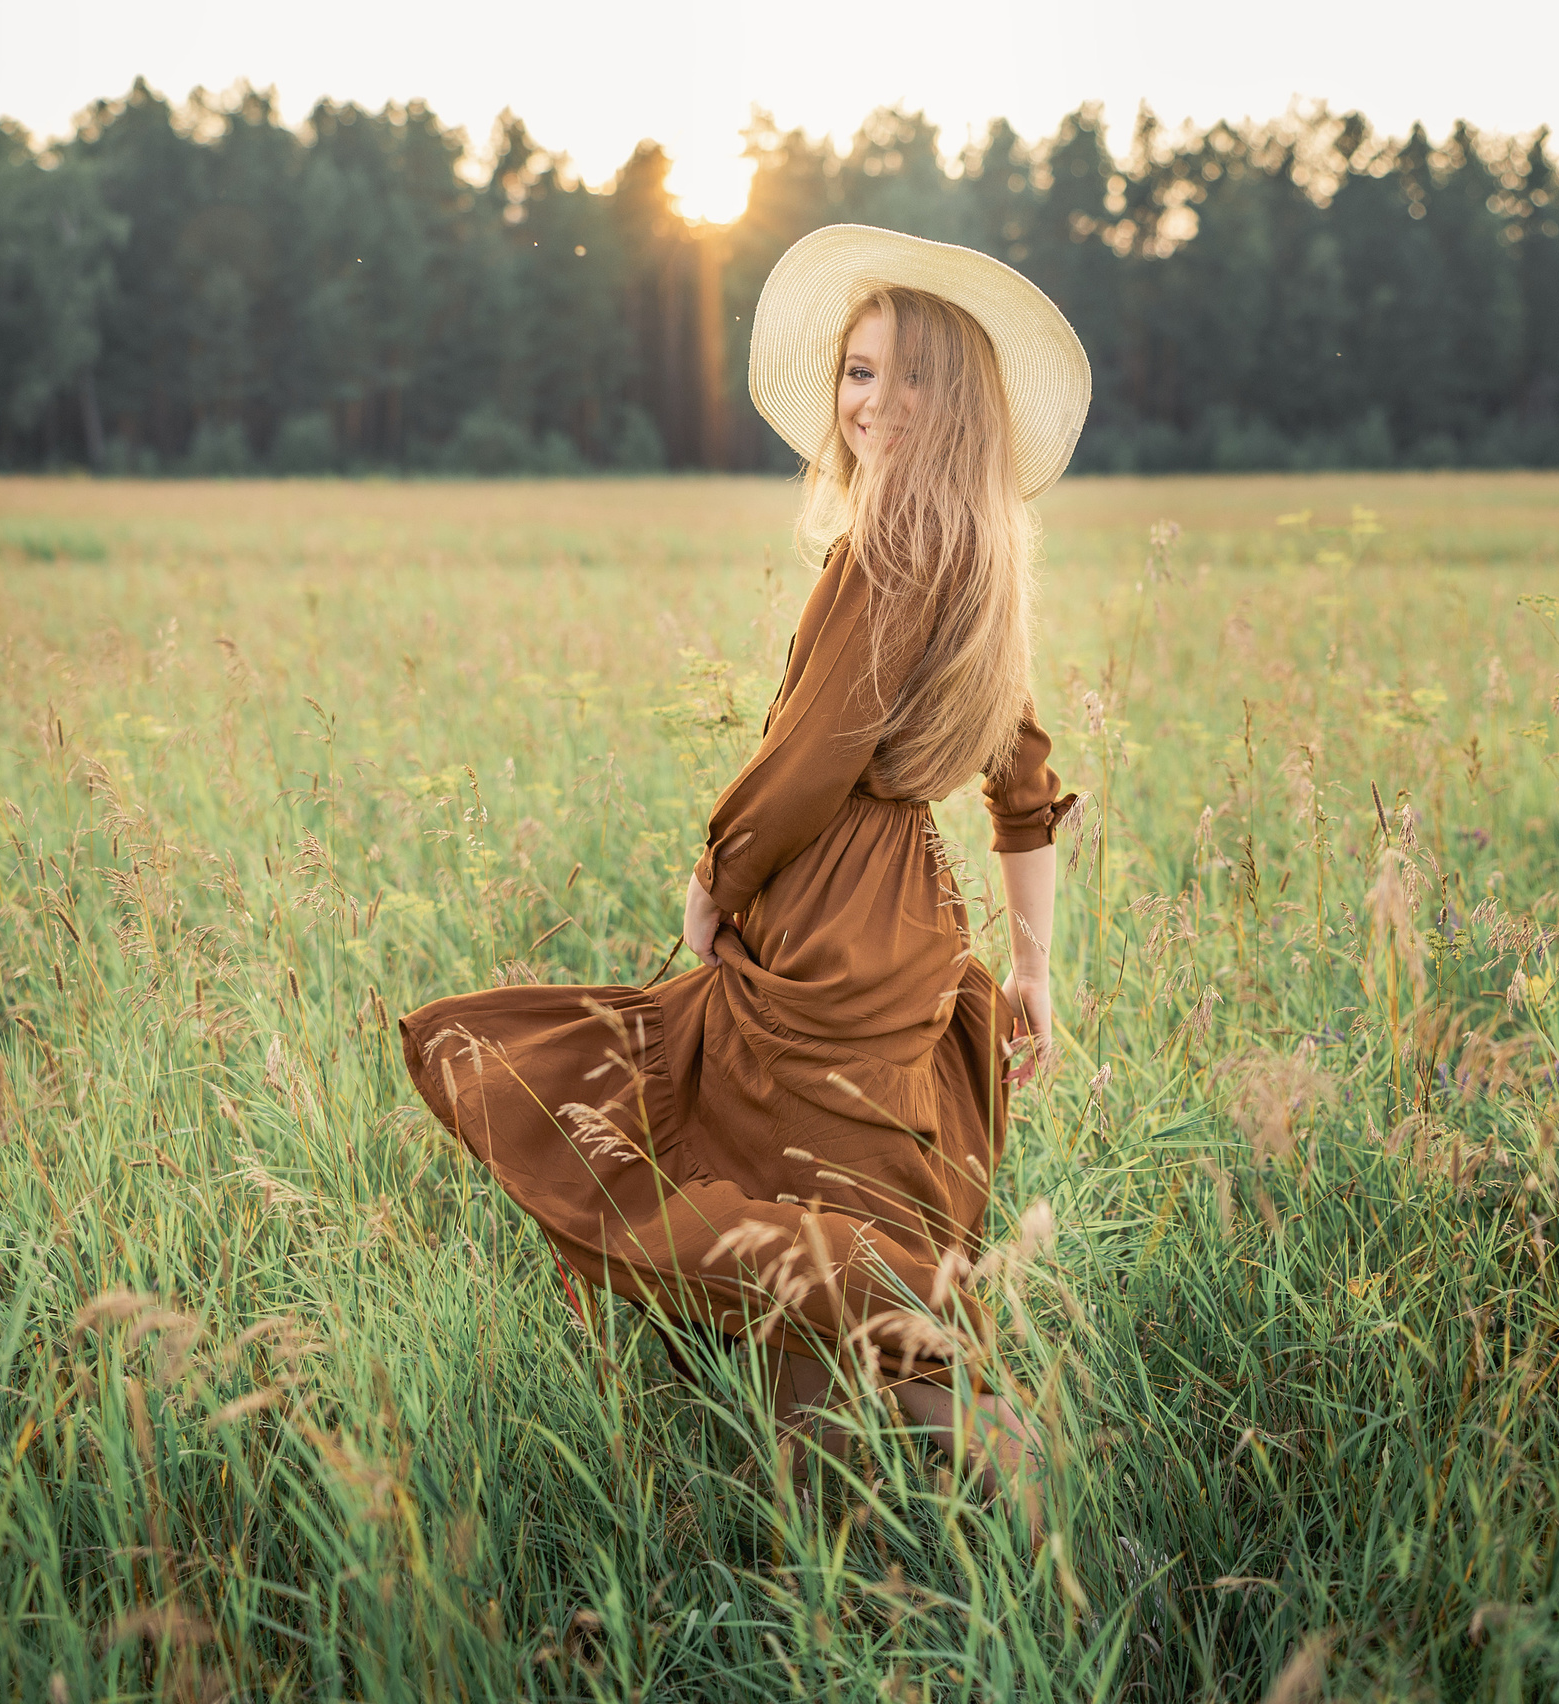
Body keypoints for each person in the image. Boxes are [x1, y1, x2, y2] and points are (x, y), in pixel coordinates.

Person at [401, 224, 1090, 1508]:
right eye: (859, 371)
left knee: (764, 1213)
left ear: (960, 404)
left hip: (829, 914)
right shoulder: (979, 556)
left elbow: (809, 760)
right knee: (801, 1215)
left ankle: (1012, 1461)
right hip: (910, 921)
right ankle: (836, 1526)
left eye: (911, 377)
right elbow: (1023, 778)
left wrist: (712, 879)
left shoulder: (888, 550)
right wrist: (1033, 968)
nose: (874, 402)